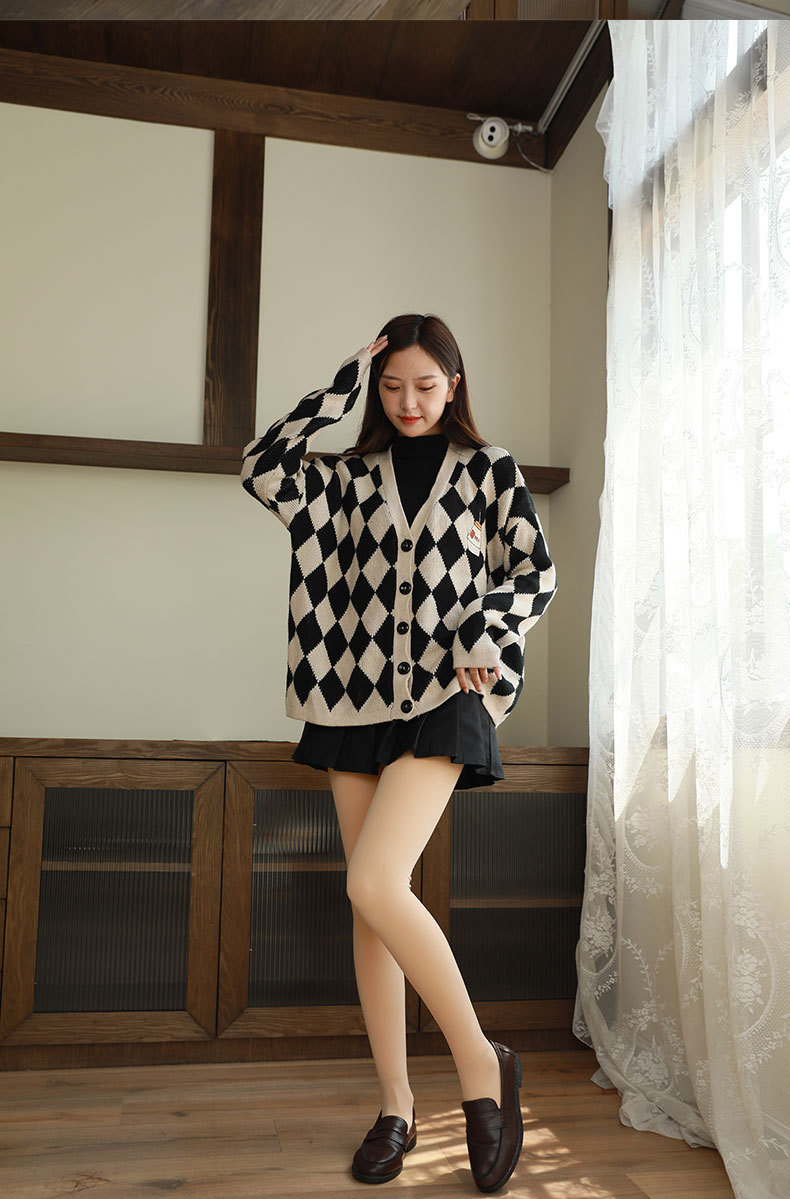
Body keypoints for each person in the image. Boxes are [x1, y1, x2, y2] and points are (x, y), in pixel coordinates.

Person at [241, 313, 558, 1193]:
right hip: (352, 701)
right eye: (391, 387)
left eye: (425, 385)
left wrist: (486, 628)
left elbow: (534, 572)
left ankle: (483, 1067)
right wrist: (341, 385)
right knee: (370, 904)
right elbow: (261, 466)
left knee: (374, 881)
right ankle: (395, 1106)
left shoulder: (489, 470)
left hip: (447, 695)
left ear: (454, 383)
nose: (408, 402)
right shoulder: (343, 479)